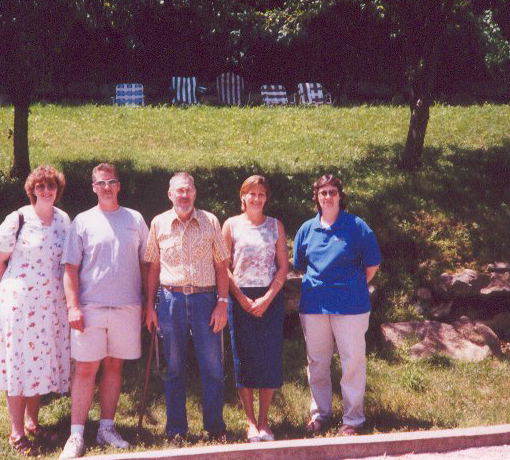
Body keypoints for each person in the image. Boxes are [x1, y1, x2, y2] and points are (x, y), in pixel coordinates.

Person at [58, 163, 150, 460]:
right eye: (101, 183)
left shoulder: (135, 219)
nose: (107, 187)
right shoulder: (82, 222)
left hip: (127, 307)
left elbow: (147, 263)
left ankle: (106, 428)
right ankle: (76, 434)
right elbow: (70, 268)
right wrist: (73, 307)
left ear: (119, 185)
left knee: (114, 367)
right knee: (85, 369)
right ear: (93, 187)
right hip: (90, 308)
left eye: (111, 182)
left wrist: (149, 302)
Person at [0, 165, 71, 456]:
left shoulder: (63, 221)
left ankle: (33, 423)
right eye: (40, 187)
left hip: (50, 304)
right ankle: (16, 431)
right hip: (19, 304)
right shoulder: (19, 218)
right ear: (32, 190)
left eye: (51, 186)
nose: (46, 191)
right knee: (19, 363)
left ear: (58, 190)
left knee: (38, 361)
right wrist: (14, 286)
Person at [144, 172, 231, 442]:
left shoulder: (210, 221)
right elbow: (153, 266)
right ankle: (176, 431)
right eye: (178, 191)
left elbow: (221, 265)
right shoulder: (159, 223)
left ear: (195, 193)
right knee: (174, 368)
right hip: (170, 300)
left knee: (213, 368)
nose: (184, 195)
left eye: (188, 190)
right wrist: (150, 306)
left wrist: (222, 304)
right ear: (170, 194)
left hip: (206, 300)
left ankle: (215, 428)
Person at [293, 174, 381, 437]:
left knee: (352, 361)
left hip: (350, 307)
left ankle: (353, 419)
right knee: (317, 362)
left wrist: (350, 287)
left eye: (332, 192)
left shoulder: (357, 226)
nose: (328, 197)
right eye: (323, 193)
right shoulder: (307, 229)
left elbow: (372, 265)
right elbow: (300, 265)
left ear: (340, 195)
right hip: (314, 306)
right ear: (316, 197)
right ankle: (320, 413)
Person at [221, 175, 288, 442]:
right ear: (243, 197)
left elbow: (283, 266)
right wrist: (239, 297)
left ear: (266, 198)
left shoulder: (276, 226)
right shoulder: (231, 225)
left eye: (261, 194)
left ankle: (264, 422)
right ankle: (249, 422)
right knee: (245, 358)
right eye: (252, 194)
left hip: (269, 297)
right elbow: (223, 266)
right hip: (241, 298)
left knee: (269, 358)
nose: (257, 198)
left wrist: (268, 298)